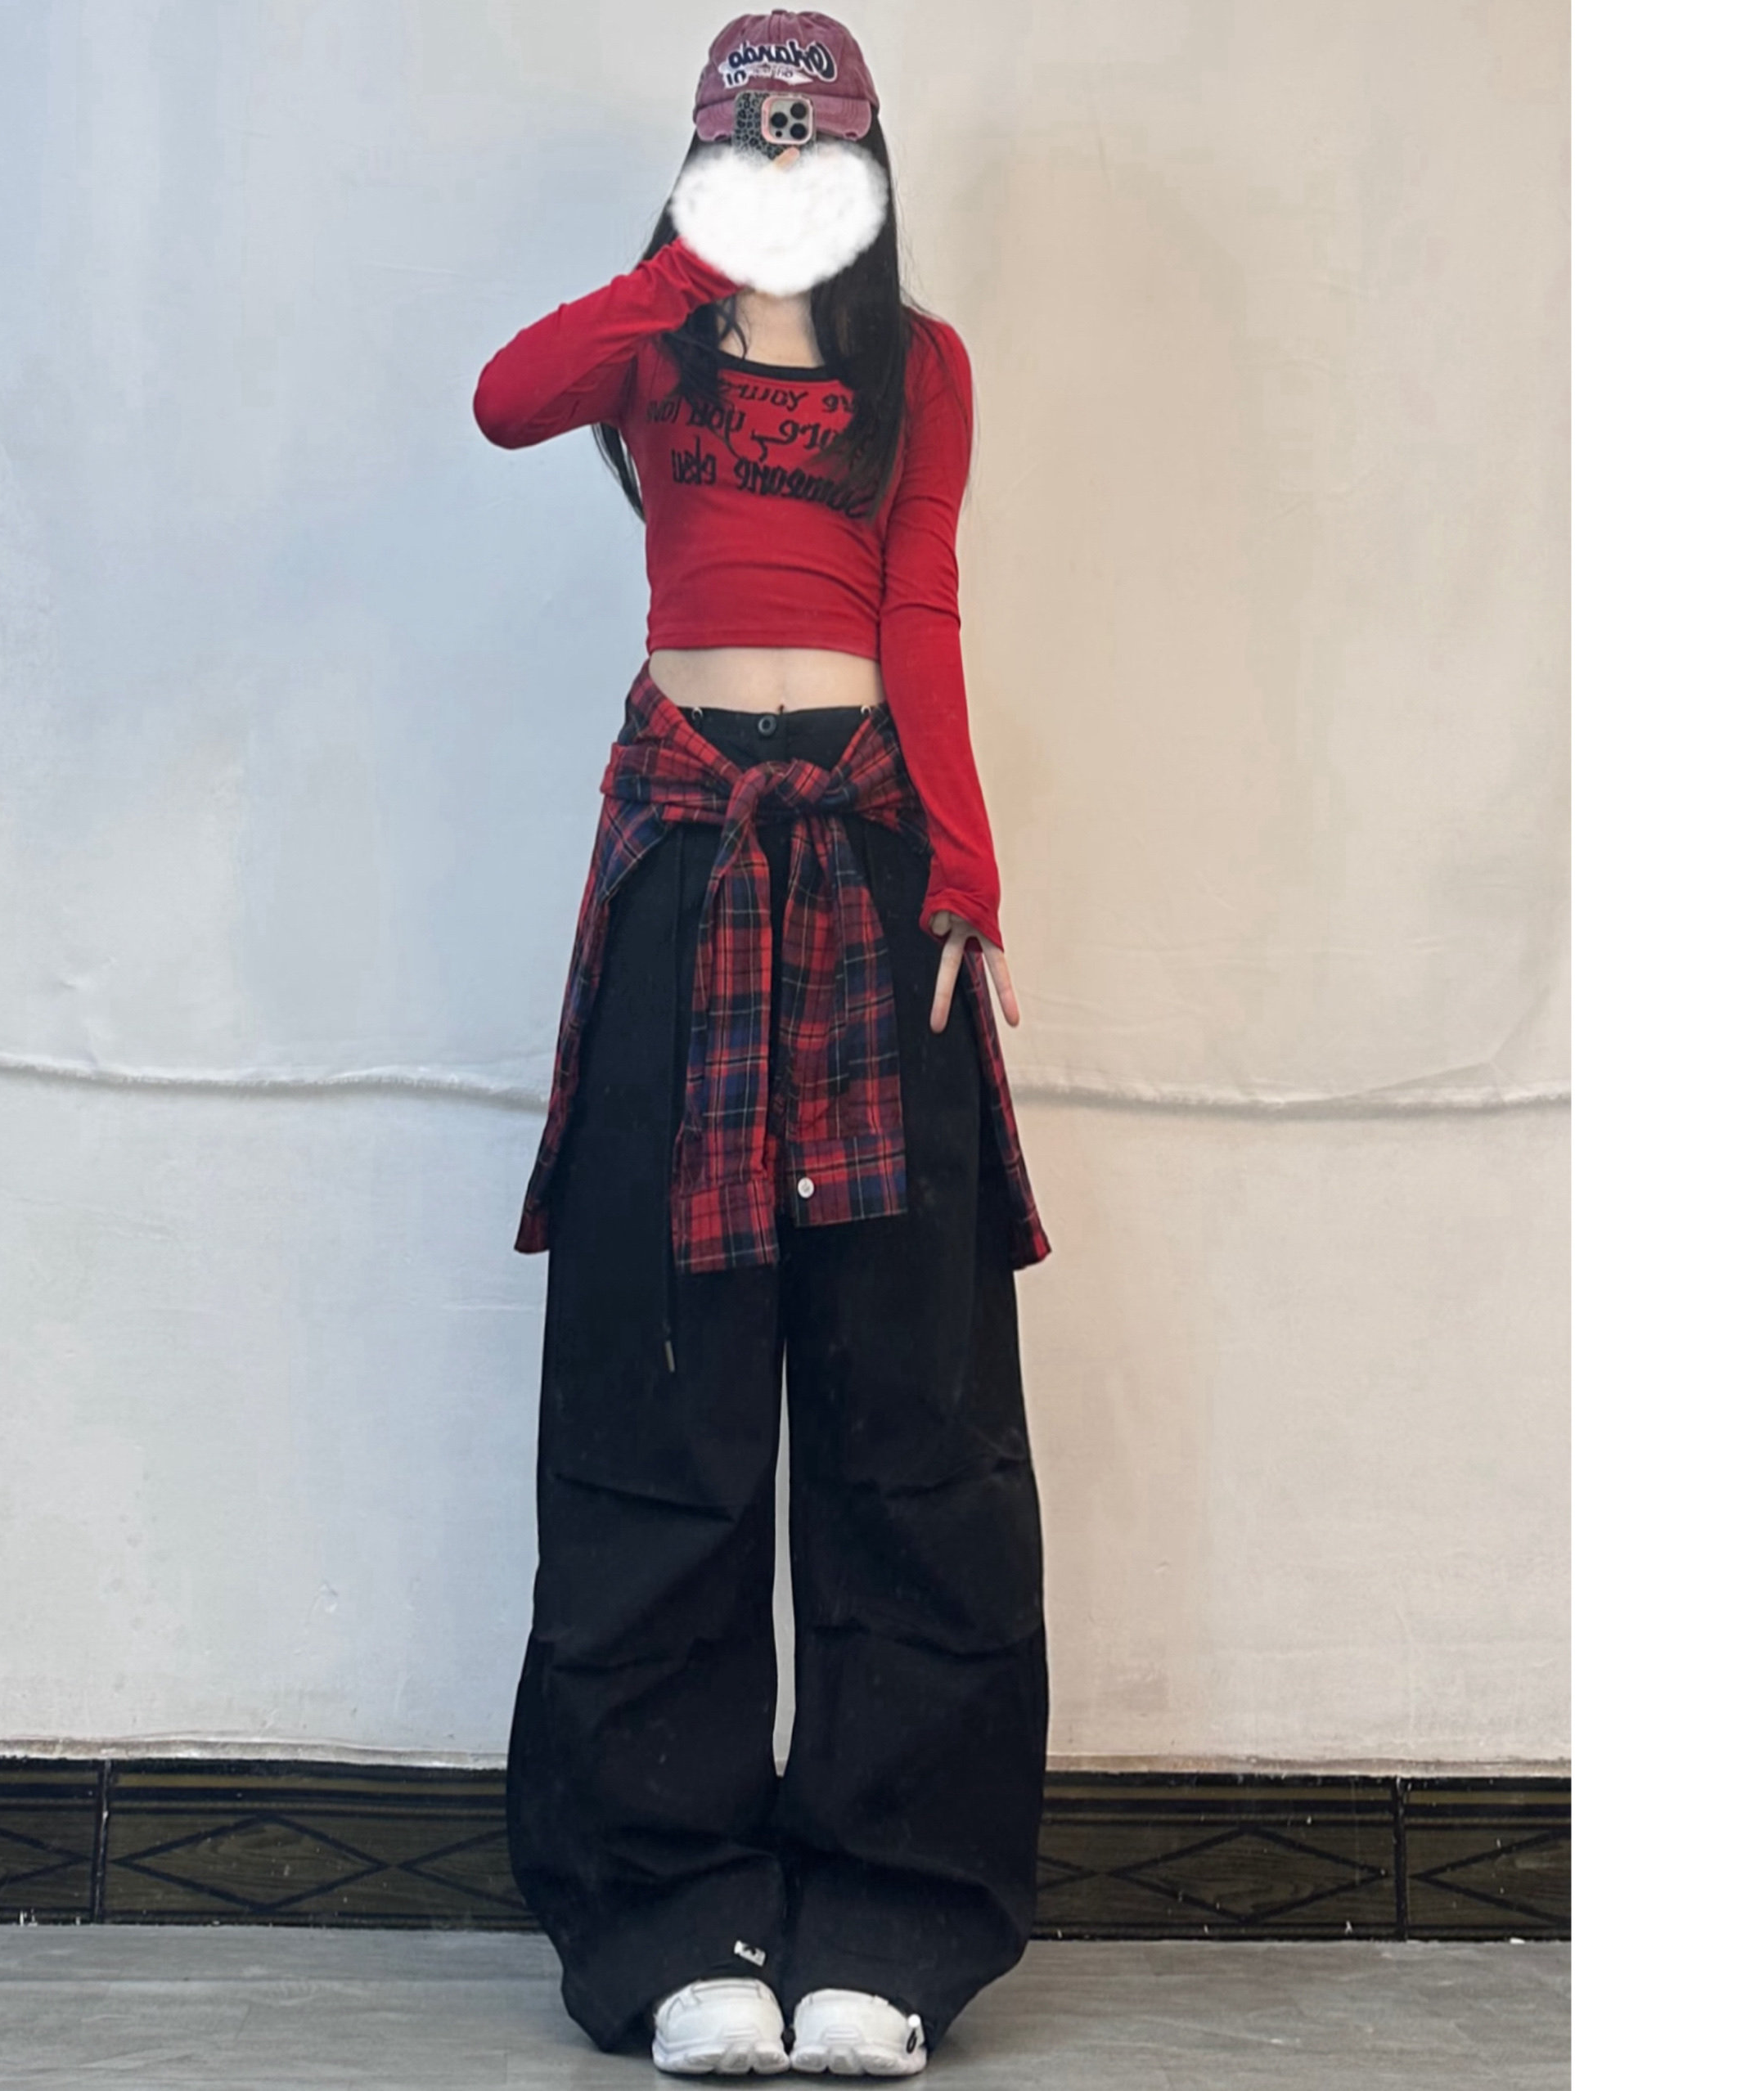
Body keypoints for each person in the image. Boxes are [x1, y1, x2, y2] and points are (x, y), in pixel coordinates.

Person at [472, 14, 1051, 2076]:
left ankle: (892, 1916)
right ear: (706, 156)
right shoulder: (655, 348)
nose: (788, 170)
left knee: (908, 1394)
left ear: (872, 169)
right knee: (667, 1380)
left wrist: (967, 873)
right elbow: (505, 398)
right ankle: (671, 1913)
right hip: (686, 846)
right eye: (752, 143)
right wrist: (685, 268)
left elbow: (924, 612)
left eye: (818, 148)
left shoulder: (924, 369)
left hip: (871, 855)